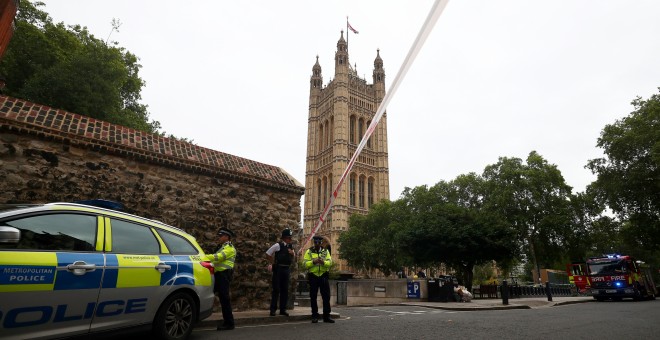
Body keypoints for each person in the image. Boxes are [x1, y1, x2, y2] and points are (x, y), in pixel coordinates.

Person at [208, 228, 236, 331]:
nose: (219, 237)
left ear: (227, 237)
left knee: (225, 299)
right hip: (218, 275)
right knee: (208, 294)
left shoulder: (229, 248)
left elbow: (218, 257)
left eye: (221, 236)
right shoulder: (221, 247)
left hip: (223, 276)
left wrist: (202, 257)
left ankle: (229, 323)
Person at [303, 236, 334, 323]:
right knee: (313, 297)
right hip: (313, 276)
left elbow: (330, 263)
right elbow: (304, 264)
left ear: (321, 243)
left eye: (318, 243)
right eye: (315, 243)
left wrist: (323, 262)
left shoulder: (325, 251)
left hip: (323, 275)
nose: (317, 244)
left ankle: (326, 316)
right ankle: (314, 315)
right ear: (314, 243)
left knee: (326, 297)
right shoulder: (309, 251)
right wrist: (313, 262)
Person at [266, 228, 295, 316]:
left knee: (285, 290)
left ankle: (283, 309)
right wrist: (272, 263)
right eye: (288, 238)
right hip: (278, 269)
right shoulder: (278, 245)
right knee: (276, 289)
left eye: (290, 238)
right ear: (284, 238)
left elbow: (293, 257)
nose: (290, 240)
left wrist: (292, 253)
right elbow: (268, 253)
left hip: (286, 269)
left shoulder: (290, 247)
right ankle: (273, 309)